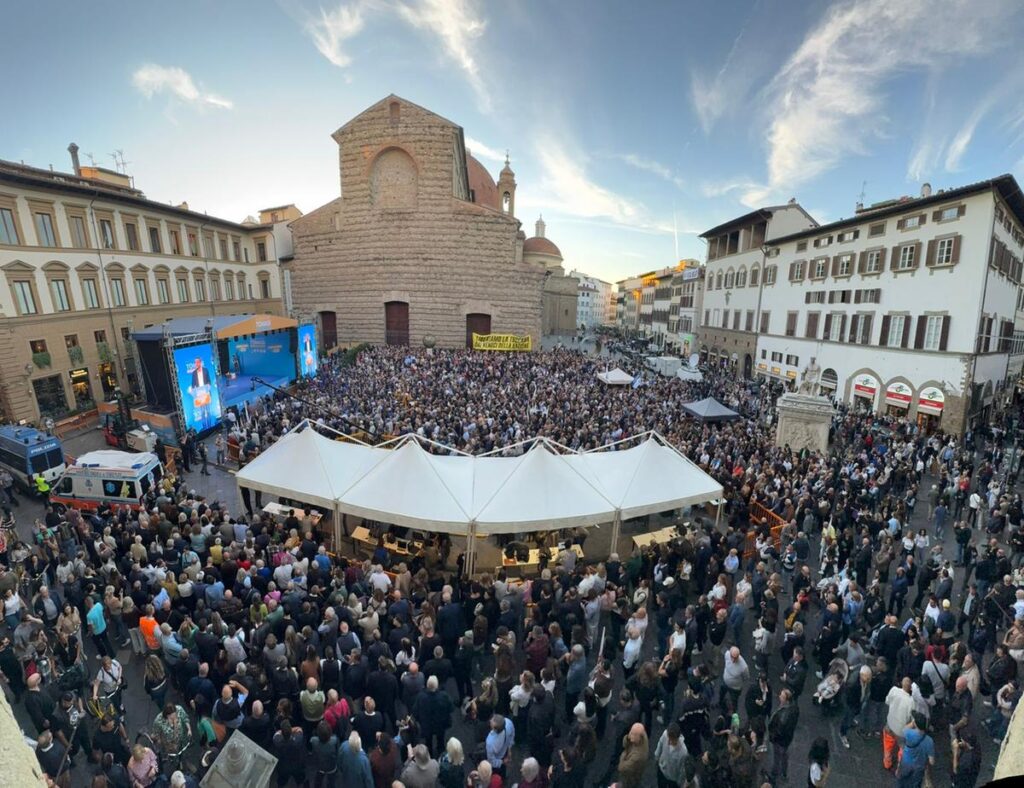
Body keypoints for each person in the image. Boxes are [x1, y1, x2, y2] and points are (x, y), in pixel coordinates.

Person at [767, 687, 799, 785]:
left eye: (781, 695)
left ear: (786, 699)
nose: (779, 696)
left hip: (779, 740)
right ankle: (784, 772)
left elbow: (779, 730)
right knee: (784, 755)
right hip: (787, 739)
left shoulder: (783, 715)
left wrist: (772, 736)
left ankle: (774, 775)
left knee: (777, 757)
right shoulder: (795, 708)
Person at [654, 722, 688, 788]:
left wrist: (679, 782)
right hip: (662, 769)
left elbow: (682, 769)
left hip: (673, 778)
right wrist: (657, 756)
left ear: (677, 738)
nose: (669, 742)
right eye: (668, 738)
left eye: (672, 740)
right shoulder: (665, 734)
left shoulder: (683, 752)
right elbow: (660, 744)